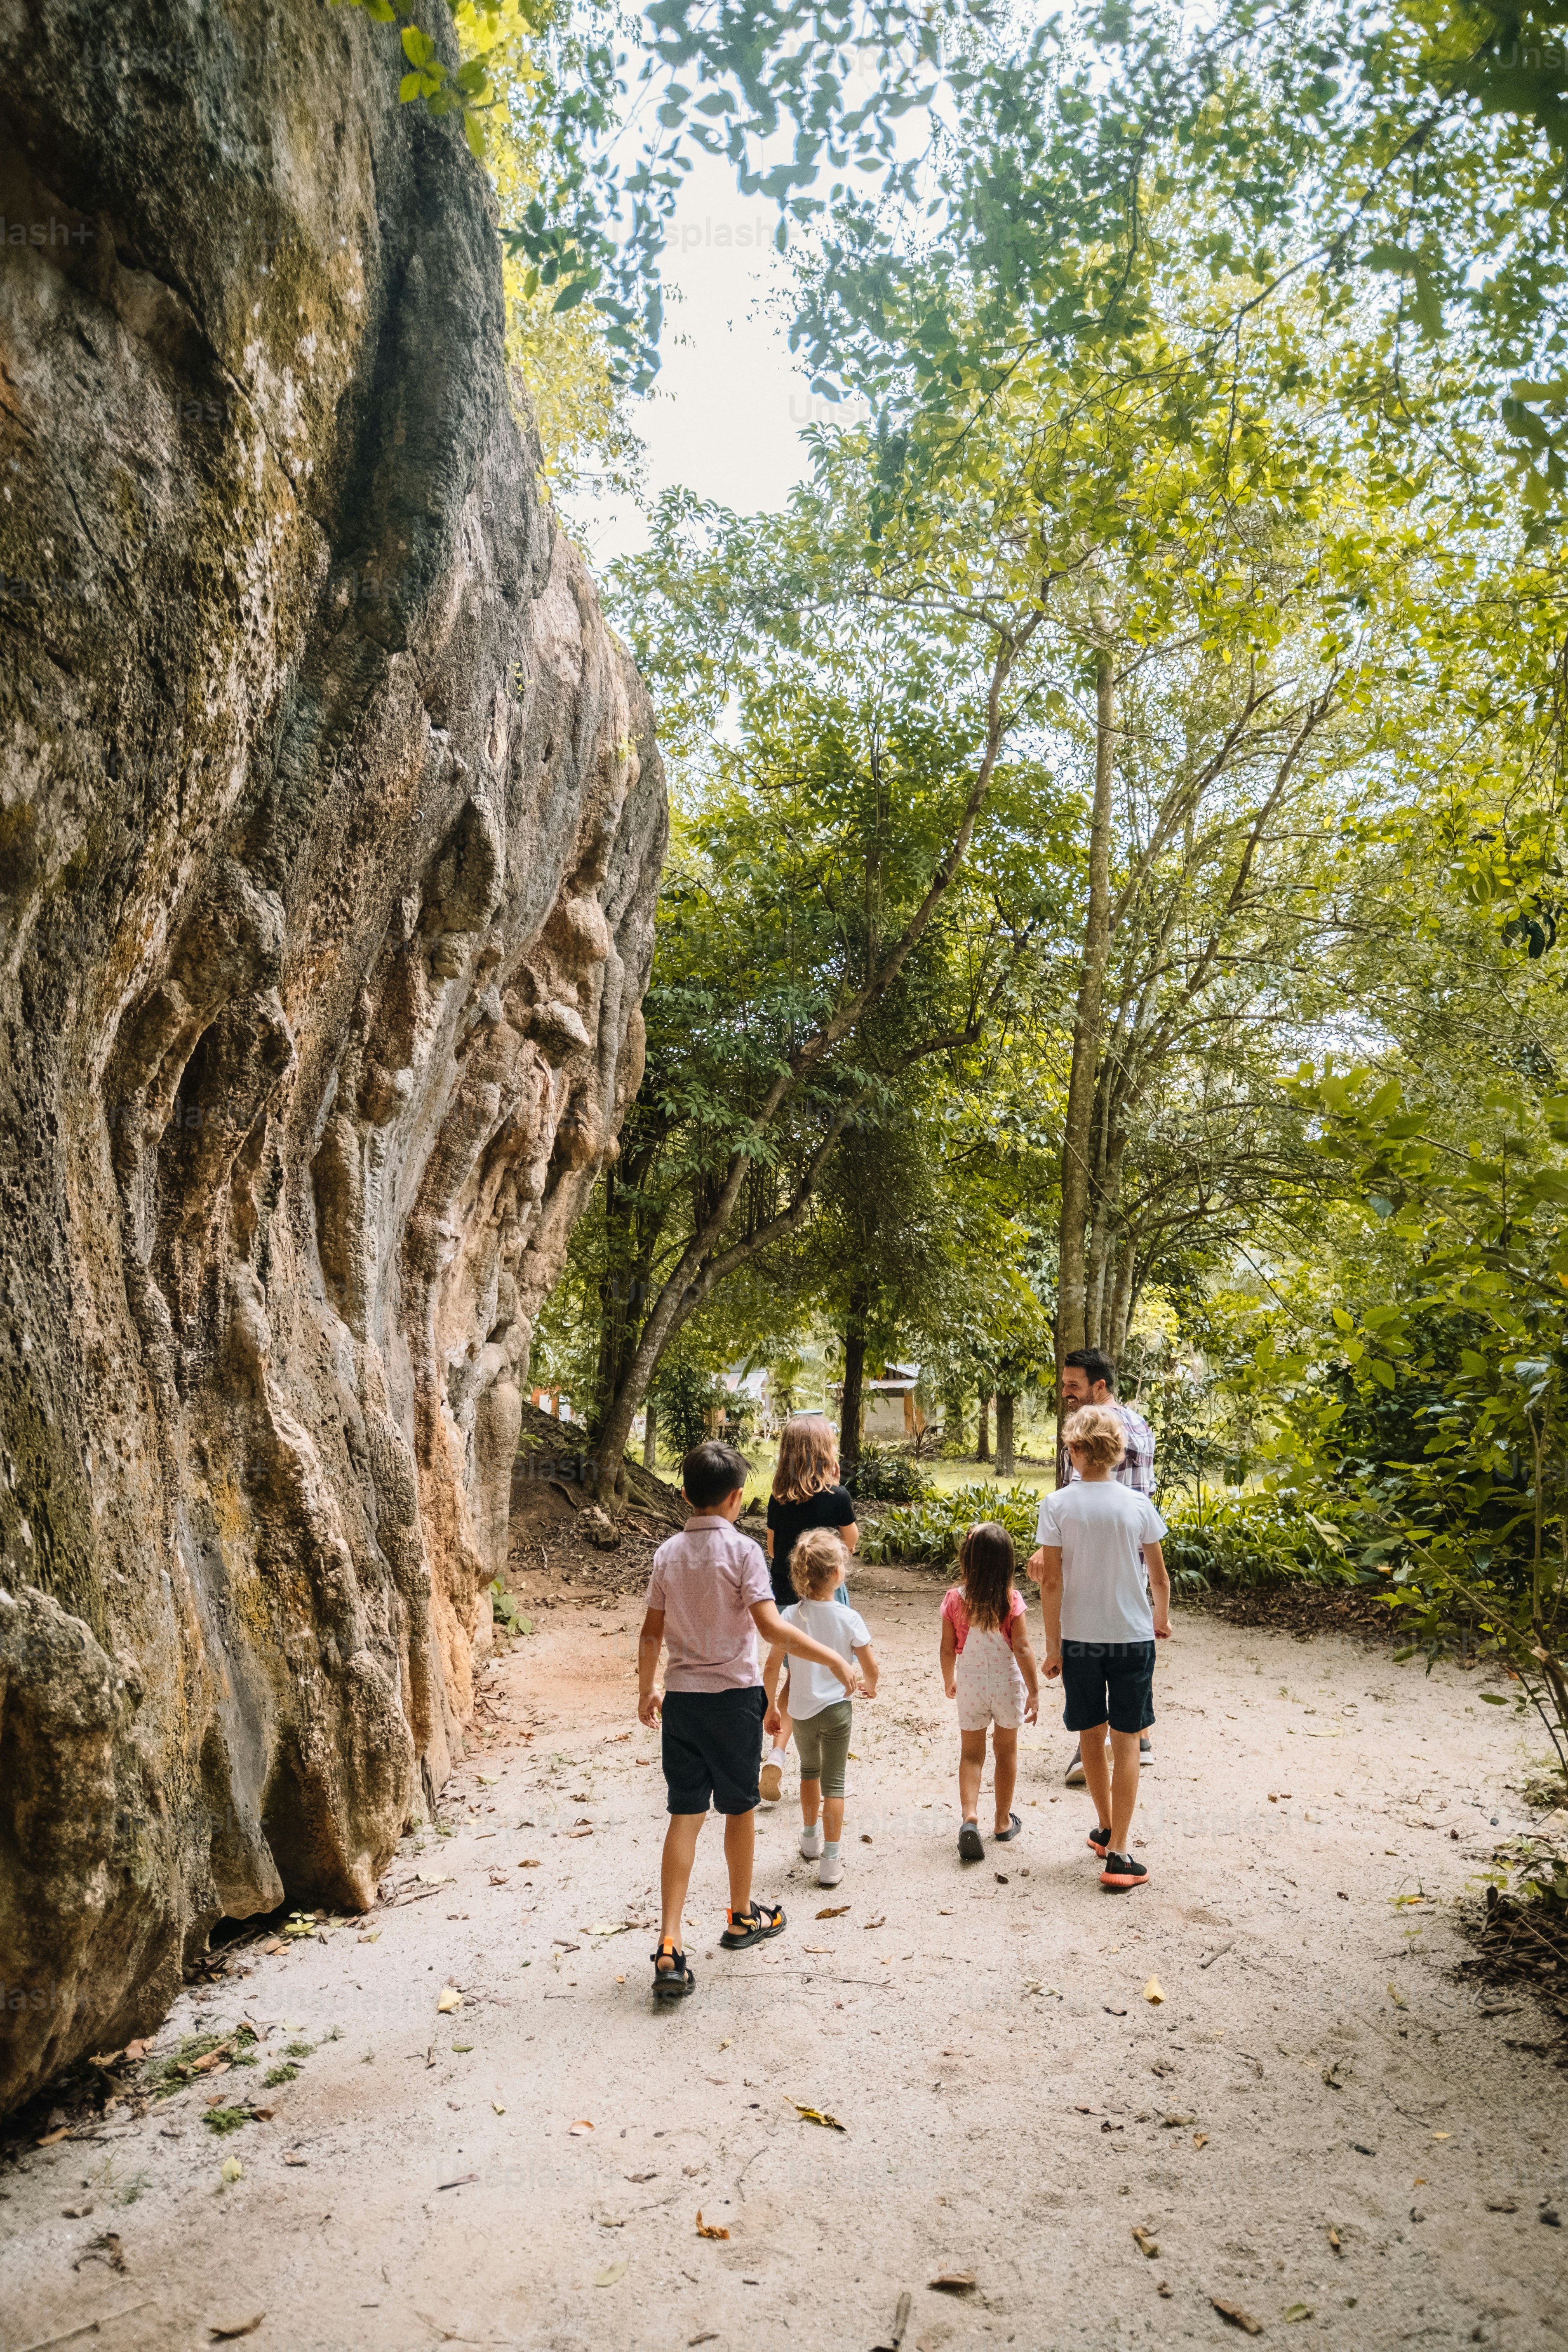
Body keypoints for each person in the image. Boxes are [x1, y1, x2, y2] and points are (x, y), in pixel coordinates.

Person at [637, 1439, 856, 2000]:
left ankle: (667, 1942)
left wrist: (646, 1689)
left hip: (682, 1701)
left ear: (684, 1494)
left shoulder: (667, 1554)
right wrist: (831, 1655)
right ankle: (740, 1915)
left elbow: (650, 1633)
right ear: (737, 1499)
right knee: (739, 1810)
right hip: (733, 1701)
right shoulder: (742, 1553)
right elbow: (770, 1629)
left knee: (684, 1816)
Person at [1028, 1404, 1171, 1893]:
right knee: (1127, 1737)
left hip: (1080, 1640)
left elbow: (1050, 1582)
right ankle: (1119, 1851)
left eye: (1069, 1446)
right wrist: (1161, 1618)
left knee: (1091, 1732)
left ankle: (1106, 1825)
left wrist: (1051, 1647)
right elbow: (1158, 1575)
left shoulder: (1057, 1505)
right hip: (1132, 1637)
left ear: (1079, 1451)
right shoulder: (1137, 1505)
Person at [1056, 1348, 1157, 1783]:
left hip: (1117, 1553)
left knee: (1101, 1639)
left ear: (1100, 1386)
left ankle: (1103, 1743)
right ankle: (1138, 1737)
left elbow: (1095, 1464)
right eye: (1064, 1386)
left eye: (1074, 1386)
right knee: (1125, 1639)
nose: (1066, 1394)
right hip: (1109, 1549)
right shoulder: (1086, 1427)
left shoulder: (1124, 1425)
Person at [761, 1527, 879, 1888]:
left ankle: (810, 1838)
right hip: (838, 1712)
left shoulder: (788, 1619)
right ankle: (831, 1860)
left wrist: (771, 1708)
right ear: (837, 1574)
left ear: (798, 1574)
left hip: (801, 1711)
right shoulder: (848, 1617)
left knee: (809, 1773)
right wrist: (868, 1685)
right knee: (836, 1784)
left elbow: (770, 1668)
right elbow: (870, 1666)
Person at [761, 1416, 859, 1804]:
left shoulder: (777, 1499)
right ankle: (825, 1771)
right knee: (832, 1681)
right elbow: (849, 1545)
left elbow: (772, 1550)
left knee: (795, 1679)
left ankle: (778, 1753)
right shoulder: (838, 1497)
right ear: (825, 1453)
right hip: (828, 1602)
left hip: (786, 1600)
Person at [939, 1520, 1040, 1864]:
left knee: (971, 1754)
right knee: (1006, 1751)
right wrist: (1034, 1691)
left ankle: (969, 1817)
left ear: (967, 1559)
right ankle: (1001, 1820)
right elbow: (1023, 1647)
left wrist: (948, 1678)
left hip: (970, 1684)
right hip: (1006, 1684)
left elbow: (946, 1646)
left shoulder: (954, 1599)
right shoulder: (1010, 1600)